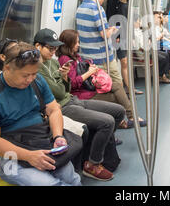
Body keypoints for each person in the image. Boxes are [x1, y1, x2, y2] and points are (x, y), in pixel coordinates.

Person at [0, 42, 81, 186]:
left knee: (72, 179)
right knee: (51, 184)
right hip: (9, 154)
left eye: (34, 74)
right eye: (25, 75)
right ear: (7, 68)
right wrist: (29, 156)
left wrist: (58, 136)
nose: (30, 79)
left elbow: (54, 109)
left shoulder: (37, 81)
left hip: (39, 138)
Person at [34, 28, 126, 181]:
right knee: (107, 122)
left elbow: (66, 88)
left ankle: (96, 146)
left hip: (71, 99)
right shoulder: (36, 68)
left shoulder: (51, 62)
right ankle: (92, 164)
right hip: (62, 107)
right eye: (50, 48)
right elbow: (57, 92)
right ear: (38, 46)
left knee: (118, 111)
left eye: (55, 48)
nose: (53, 52)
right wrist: (62, 79)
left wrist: (63, 77)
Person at [56, 29, 146, 129]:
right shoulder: (65, 59)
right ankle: (124, 120)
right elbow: (72, 84)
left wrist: (91, 69)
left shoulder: (75, 56)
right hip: (81, 94)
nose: (78, 45)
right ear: (68, 43)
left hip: (88, 88)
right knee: (116, 97)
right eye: (76, 42)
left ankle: (130, 117)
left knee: (116, 85)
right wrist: (89, 72)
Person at [76, 0, 121, 85]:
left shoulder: (80, 8)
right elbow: (105, 35)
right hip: (102, 57)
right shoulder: (98, 9)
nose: (102, 2)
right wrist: (113, 29)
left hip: (86, 57)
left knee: (98, 87)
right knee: (117, 83)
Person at [106, 0, 143, 94]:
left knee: (125, 62)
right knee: (122, 61)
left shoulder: (129, 5)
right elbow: (111, 19)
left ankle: (128, 88)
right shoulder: (114, 2)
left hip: (126, 36)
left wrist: (131, 37)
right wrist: (116, 35)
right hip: (116, 35)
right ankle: (124, 87)